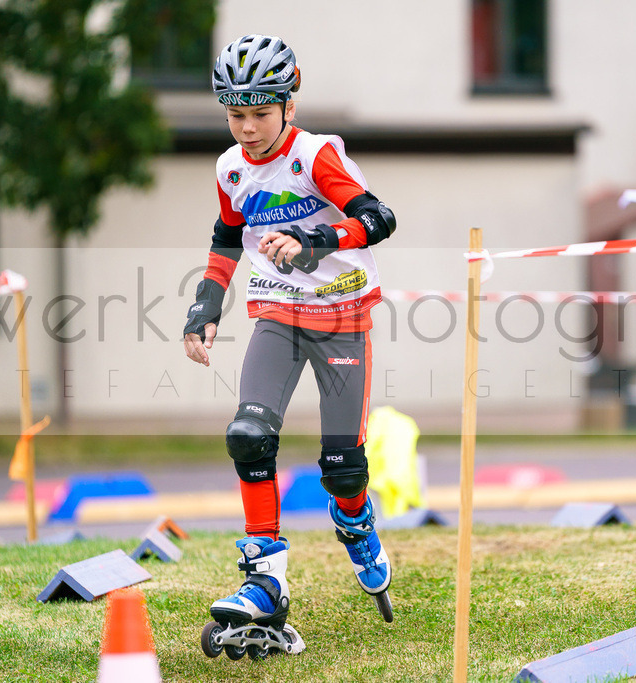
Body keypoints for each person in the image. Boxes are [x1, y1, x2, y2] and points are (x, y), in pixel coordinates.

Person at [184, 34, 398, 644]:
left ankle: (355, 522)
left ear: (289, 106)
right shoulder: (230, 167)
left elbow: (378, 219)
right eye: (235, 114)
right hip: (277, 314)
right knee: (249, 435)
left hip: (342, 318)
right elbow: (228, 238)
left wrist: (314, 246)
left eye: (259, 114)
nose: (247, 129)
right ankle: (265, 582)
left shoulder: (314, 157)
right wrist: (205, 306)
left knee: (342, 468)